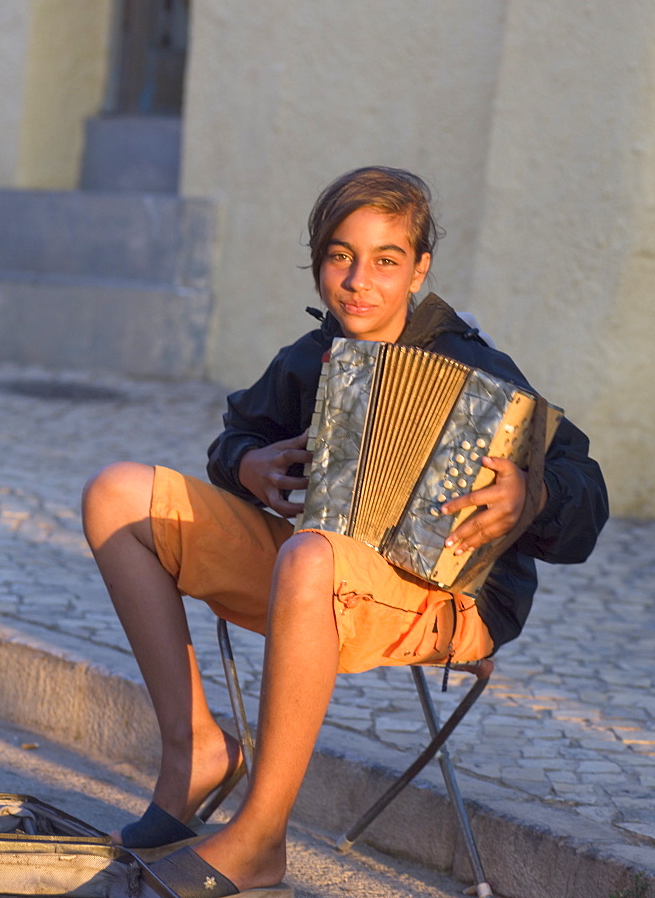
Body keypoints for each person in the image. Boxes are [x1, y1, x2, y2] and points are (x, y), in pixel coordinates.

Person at [82, 166, 608, 898]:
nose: (358, 280)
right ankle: (195, 749)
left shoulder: (478, 370)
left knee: (308, 552)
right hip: (313, 582)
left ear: (419, 268)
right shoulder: (309, 357)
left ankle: (260, 838)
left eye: (386, 260)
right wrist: (246, 465)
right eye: (339, 256)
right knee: (116, 494)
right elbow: (236, 436)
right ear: (317, 261)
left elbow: (586, 502)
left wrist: (532, 496)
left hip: (444, 603)